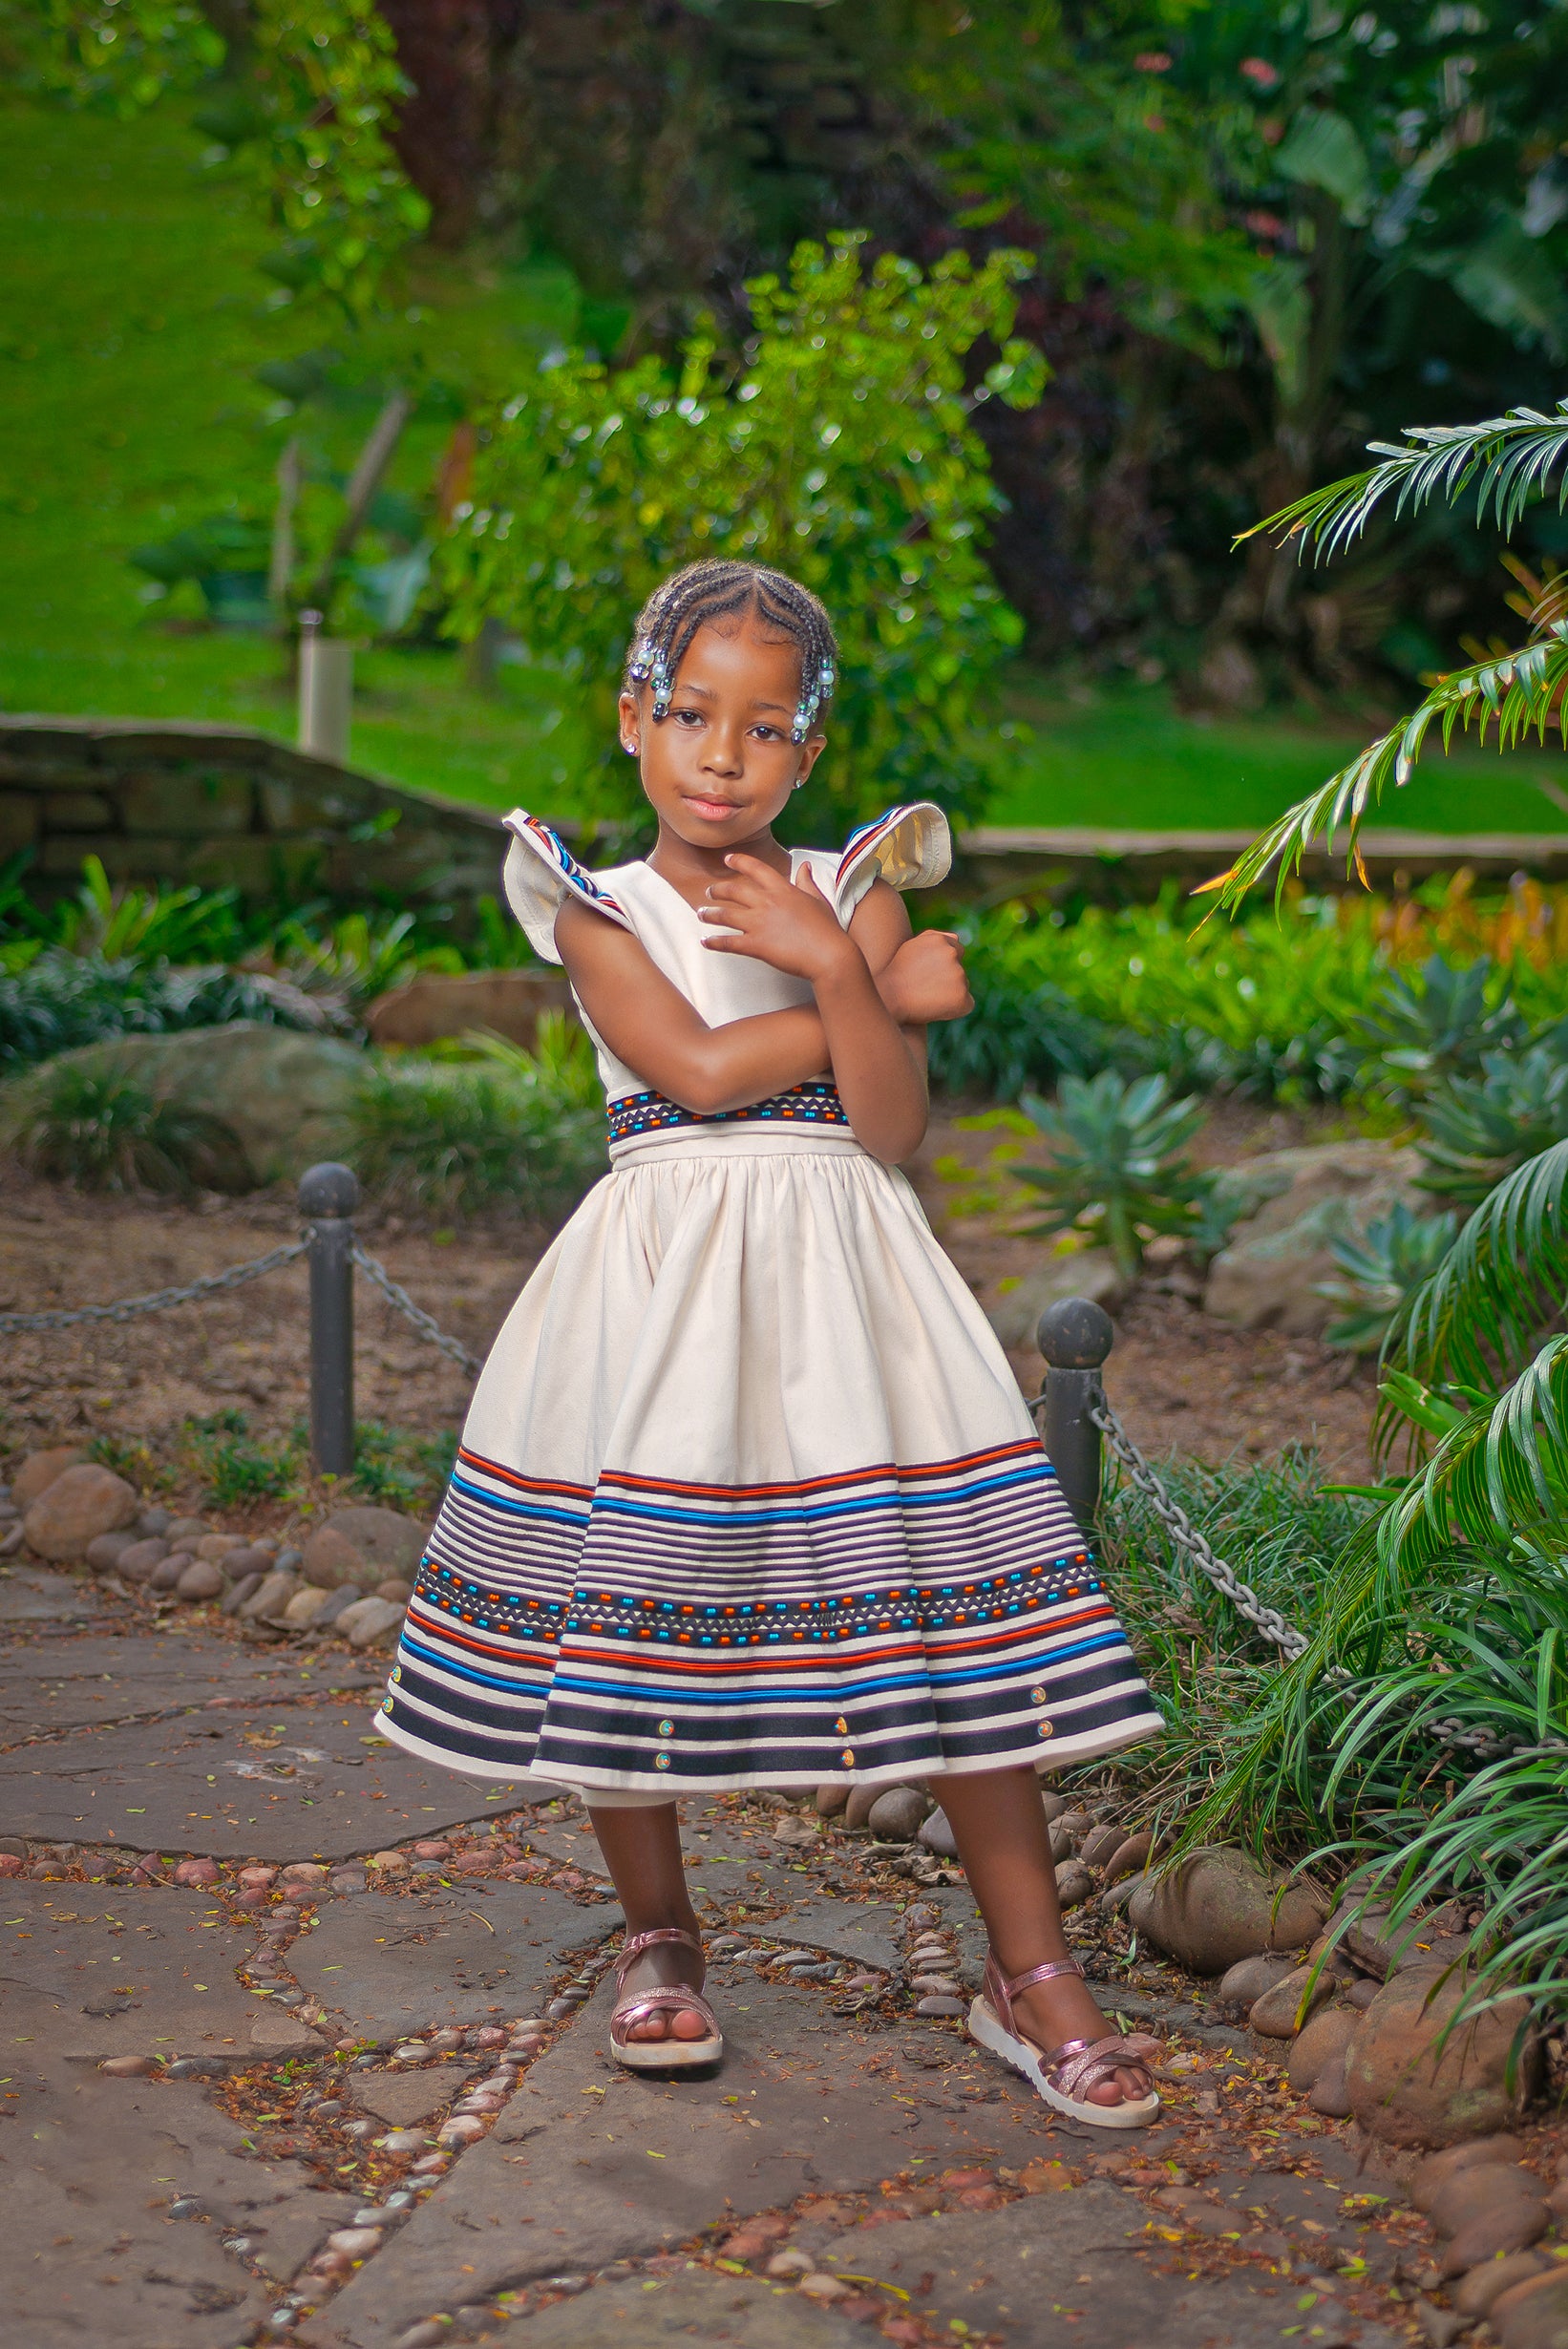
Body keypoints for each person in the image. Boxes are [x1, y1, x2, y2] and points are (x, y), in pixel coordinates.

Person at [378, 558, 1163, 2125]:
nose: (721, 756)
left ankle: (1029, 1973)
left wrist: (834, 950)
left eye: (762, 728)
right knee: (630, 1612)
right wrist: (861, 983)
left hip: (853, 1290)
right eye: (689, 716)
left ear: (808, 750)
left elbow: (884, 1125)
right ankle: (658, 1934)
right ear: (632, 721)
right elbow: (693, 1066)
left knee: (948, 1627)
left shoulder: (850, 879)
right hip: (658, 1286)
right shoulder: (597, 906)